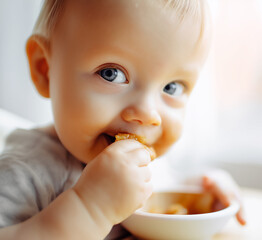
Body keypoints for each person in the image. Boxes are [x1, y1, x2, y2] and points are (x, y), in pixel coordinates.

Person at [0, 0, 245, 239]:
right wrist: (89, 208)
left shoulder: (147, 166)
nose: (148, 114)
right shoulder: (25, 171)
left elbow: (160, 197)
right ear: (45, 69)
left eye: (171, 87)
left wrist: (201, 192)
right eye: (112, 74)